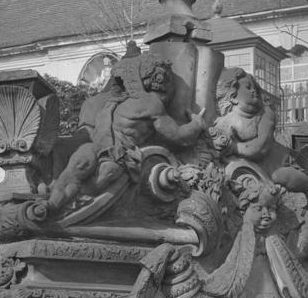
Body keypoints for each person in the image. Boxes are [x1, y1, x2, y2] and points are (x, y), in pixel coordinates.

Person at [47, 57, 205, 212]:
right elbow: (178, 136)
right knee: (89, 172)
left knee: (80, 172)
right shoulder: (147, 103)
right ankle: (58, 203)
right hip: (111, 152)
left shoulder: (123, 102)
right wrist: (196, 124)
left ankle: (55, 203)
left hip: (102, 149)